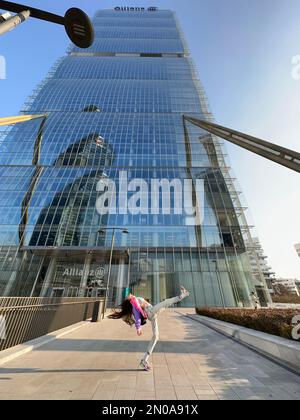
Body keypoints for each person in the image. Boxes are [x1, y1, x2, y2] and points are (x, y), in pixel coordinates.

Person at [108, 286, 190, 371]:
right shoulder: (134, 301)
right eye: (129, 295)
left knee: (156, 336)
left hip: (152, 315)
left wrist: (139, 324)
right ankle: (182, 295)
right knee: (166, 303)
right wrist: (138, 327)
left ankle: (144, 360)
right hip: (152, 311)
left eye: (129, 294)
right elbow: (137, 315)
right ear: (129, 300)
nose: (130, 294)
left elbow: (138, 313)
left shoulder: (135, 301)